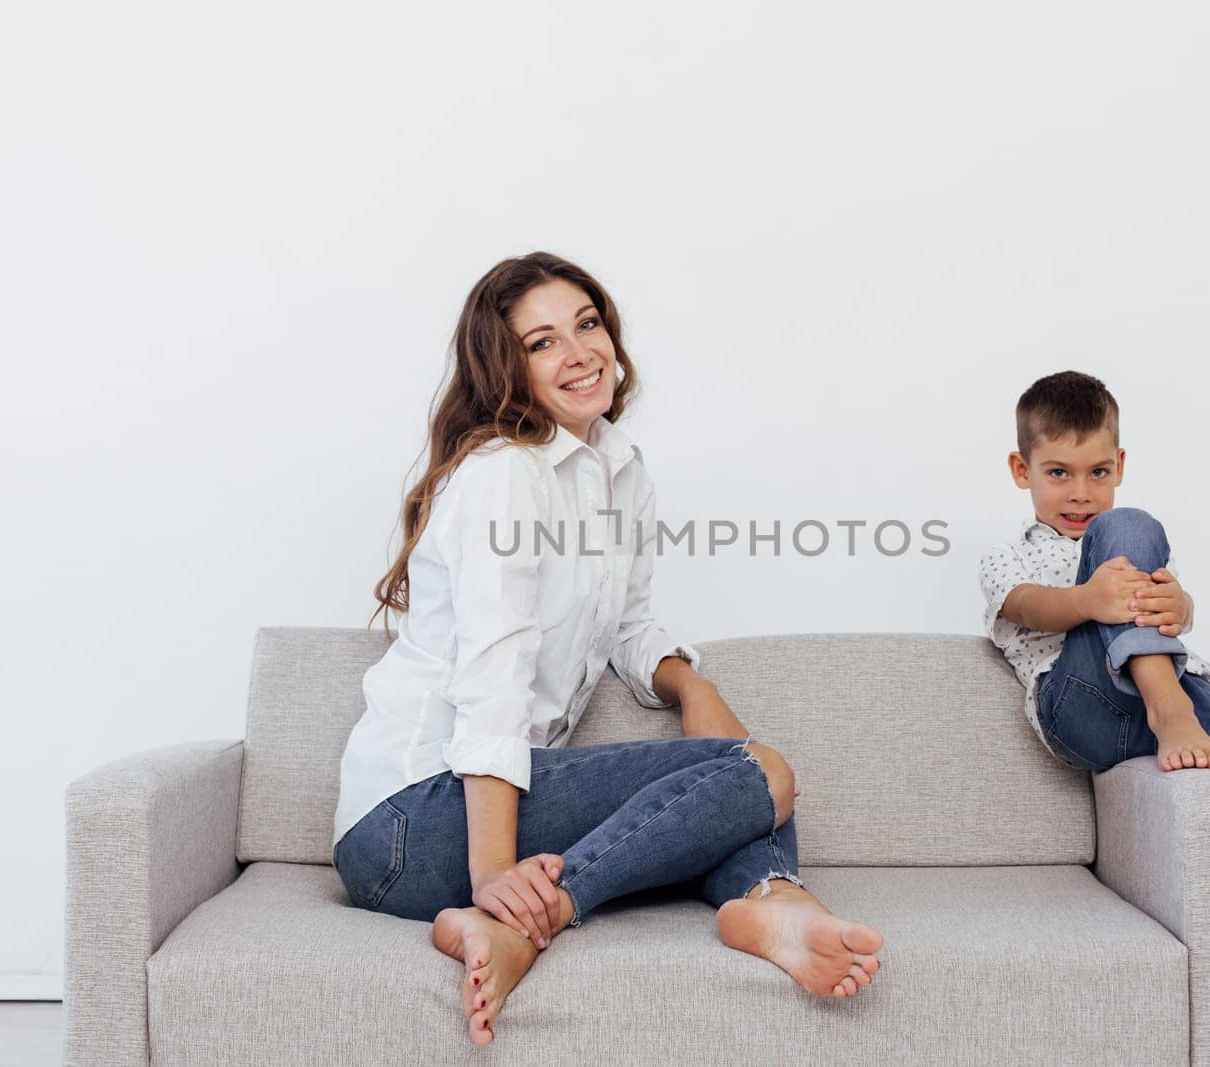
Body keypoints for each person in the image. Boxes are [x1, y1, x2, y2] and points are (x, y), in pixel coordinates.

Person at [332, 252, 883, 1047]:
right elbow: (494, 675)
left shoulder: (620, 471)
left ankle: (775, 909)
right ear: (507, 369)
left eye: (587, 324)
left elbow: (625, 623)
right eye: (543, 342)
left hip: (469, 817)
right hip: (411, 819)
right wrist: (494, 877)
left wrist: (688, 682)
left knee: (714, 793)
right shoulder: (503, 474)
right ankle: (535, 921)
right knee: (758, 771)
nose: (579, 351)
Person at [977, 370, 1210, 1067]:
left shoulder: (1131, 543)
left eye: (1099, 470)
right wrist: (1092, 597)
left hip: (1175, 694)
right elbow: (1029, 606)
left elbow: (1168, 609)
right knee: (1130, 529)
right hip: (1087, 707)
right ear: (1021, 469)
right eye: (1058, 472)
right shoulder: (1009, 555)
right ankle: (1167, 700)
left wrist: (1178, 606)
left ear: (1119, 463)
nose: (1081, 492)